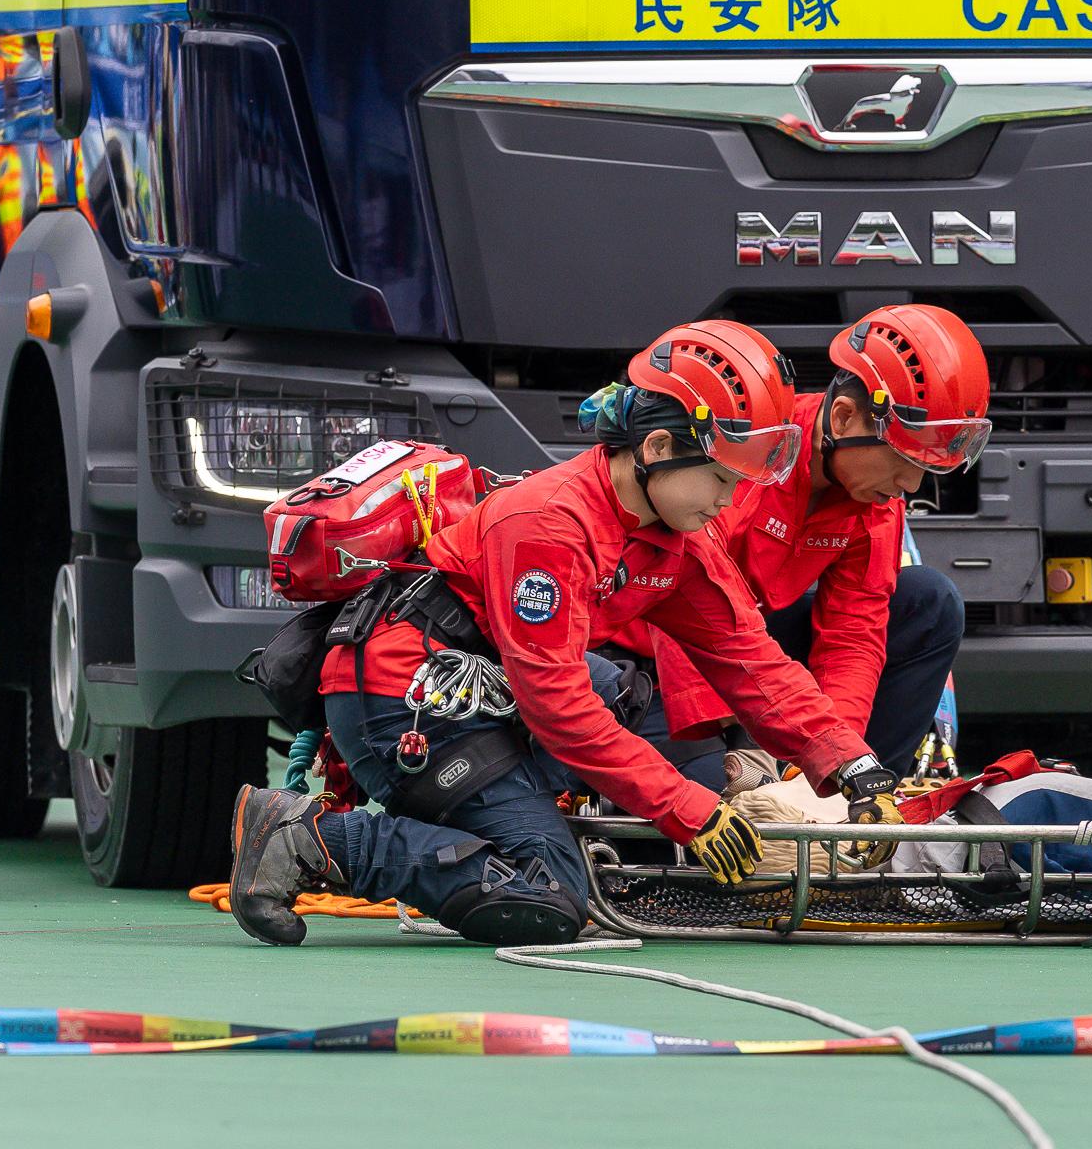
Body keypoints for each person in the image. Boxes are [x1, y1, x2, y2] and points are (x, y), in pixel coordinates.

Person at [227, 321, 905, 948]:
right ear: (659, 448)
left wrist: (853, 769)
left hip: (486, 696)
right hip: (406, 704)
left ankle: (487, 816)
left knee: (628, 692)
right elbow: (557, 707)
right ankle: (310, 837)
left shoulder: (677, 538)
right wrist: (688, 808)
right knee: (548, 899)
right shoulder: (548, 524)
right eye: (723, 477)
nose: (731, 501)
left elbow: (751, 662)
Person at [619, 304, 982, 776]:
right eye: (902, 458)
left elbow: (853, 635)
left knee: (928, 602)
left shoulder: (873, 498)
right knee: (705, 807)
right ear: (845, 418)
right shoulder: (745, 455)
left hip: (755, 651)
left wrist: (836, 760)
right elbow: (683, 594)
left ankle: (870, 799)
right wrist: (739, 741)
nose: (911, 486)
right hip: (656, 655)